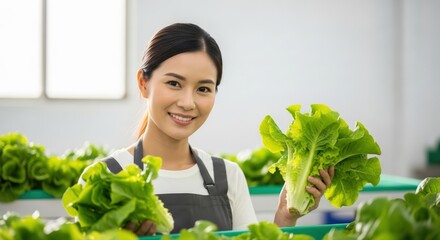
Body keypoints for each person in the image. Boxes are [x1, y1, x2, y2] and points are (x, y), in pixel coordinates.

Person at [87, 23, 334, 235]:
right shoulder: (104, 177)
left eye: (203, 89)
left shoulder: (227, 176)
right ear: (144, 83)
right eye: (174, 83)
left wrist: (285, 216)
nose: (187, 102)